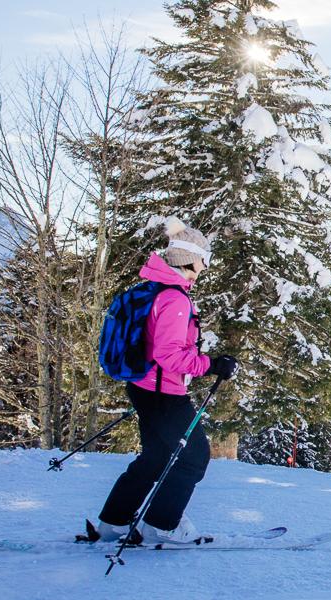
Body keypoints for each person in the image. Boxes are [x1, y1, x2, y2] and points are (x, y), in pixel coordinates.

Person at [94, 218, 237, 544]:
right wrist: (212, 364)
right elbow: (169, 356)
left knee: (156, 457)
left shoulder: (154, 287)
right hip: (163, 392)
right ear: (189, 259)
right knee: (194, 457)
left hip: (144, 387)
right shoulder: (174, 298)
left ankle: (114, 522)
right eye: (205, 258)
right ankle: (162, 524)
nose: (206, 265)